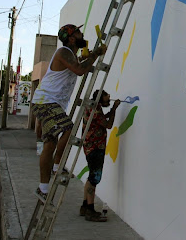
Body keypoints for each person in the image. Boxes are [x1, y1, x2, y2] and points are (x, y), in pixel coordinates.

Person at [31, 24, 106, 200]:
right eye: (79, 33)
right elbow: (79, 70)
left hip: (48, 102)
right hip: (45, 102)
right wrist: (96, 53)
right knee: (67, 128)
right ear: (71, 38)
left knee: (50, 143)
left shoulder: (70, 54)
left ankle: (43, 188)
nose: (82, 35)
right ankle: (57, 166)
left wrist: (86, 57)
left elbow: (78, 66)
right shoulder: (63, 52)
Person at [79, 89, 120, 222]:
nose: (109, 98)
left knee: (91, 176)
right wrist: (114, 109)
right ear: (101, 98)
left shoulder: (93, 107)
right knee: (95, 178)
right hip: (95, 148)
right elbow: (108, 125)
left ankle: (85, 206)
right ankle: (90, 210)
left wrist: (111, 110)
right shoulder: (95, 109)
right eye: (107, 96)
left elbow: (101, 119)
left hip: (90, 147)